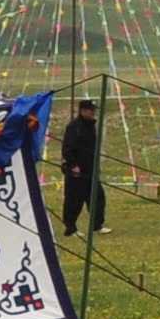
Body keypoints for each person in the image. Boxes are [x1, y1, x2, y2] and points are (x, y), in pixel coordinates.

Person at [57, 94, 106, 239]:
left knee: (98, 198)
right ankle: (70, 229)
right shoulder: (74, 127)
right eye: (90, 110)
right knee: (74, 200)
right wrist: (73, 165)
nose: (93, 113)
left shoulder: (91, 127)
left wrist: (96, 165)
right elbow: (67, 148)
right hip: (76, 171)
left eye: (94, 110)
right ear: (83, 111)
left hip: (90, 169)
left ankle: (97, 226)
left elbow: (93, 149)